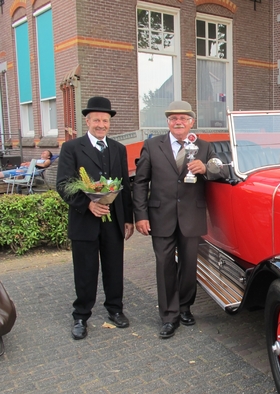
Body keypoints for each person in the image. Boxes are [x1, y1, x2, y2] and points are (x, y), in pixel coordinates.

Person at [133, 100, 221, 339]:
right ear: (168, 123)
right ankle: (169, 316)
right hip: (160, 216)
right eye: (173, 118)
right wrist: (140, 215)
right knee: (164, 266)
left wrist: (207, 169)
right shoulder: (152, 146)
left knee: (189, 265)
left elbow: (221, 171)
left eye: (183, 118)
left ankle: (184, 307)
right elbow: (140, 183)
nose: (178, 122)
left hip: (191, 215)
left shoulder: (203, 147)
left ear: (191, 122)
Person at [56, 97, 134, 340]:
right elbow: (64, 185)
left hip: (113, 221)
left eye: (105, 120)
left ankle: (115, 309)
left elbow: (125, 186)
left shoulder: (118, 149)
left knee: (114, 267)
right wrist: (87, 204)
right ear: (87, 121)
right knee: (85, 270)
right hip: (84, 221)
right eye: (96, 120)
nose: (101, 124)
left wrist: (128, 218)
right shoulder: (71, 148)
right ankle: (81, 315)